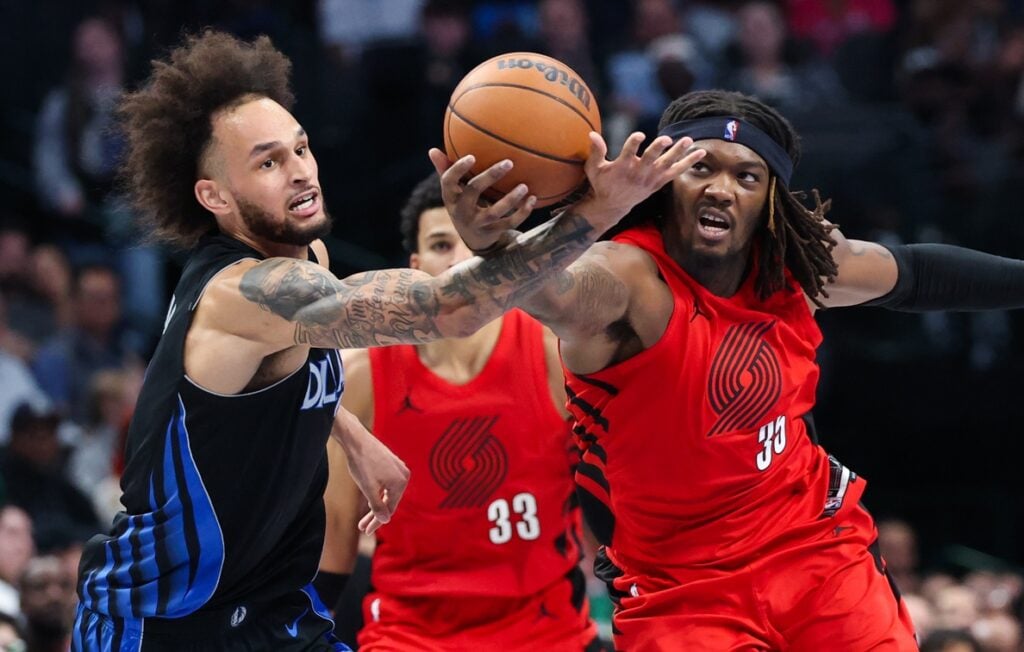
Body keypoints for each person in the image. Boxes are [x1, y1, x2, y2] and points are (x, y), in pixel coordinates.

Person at [71, 30, 701, 652]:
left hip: (269, 611)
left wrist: (344, 427)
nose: (300, 173)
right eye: (268, 162)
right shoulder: (246, 292)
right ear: (213, 196)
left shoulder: (301, 259)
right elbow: (449, 308)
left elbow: (241, 383)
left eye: (301, 148)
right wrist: (595, 211)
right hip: (160, 621)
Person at [434, 88, 1024, 650]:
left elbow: (918, 274)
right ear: (663, 183)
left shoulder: (798, 265)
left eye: (747, 176)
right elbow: (551, 292)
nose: (721, 189)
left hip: (814, 549)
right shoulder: (627, 280)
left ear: (770, 197)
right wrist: (496, 248)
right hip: (681, 587)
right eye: (701, 168)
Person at [319, 176, 602, 651]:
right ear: (415, 268)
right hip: (409, 636)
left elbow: (605, 506)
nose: (458, 261)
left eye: (471, 243)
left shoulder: (555, 355)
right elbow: (336, 535)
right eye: (440, 244)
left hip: (549, 633)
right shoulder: (363, 376)